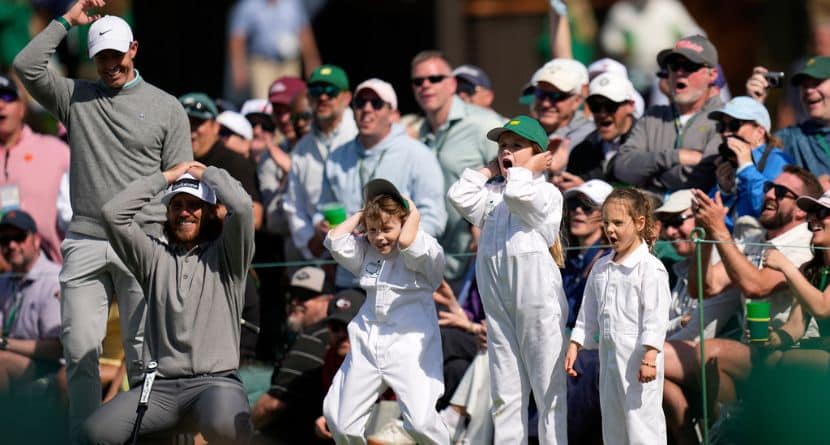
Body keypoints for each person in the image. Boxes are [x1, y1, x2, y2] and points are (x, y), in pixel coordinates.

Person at [13, 3, 193, 440]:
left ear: (133, 49)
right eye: (102, 57)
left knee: (141, 357)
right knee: (79, 352)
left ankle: (141, 436)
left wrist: (177, 251)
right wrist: (66, 22)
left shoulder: (167, 107)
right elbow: (25, 65)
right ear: (93, 59)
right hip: (87, 238)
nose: (111, 64)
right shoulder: (76, 97)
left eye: (117, 54)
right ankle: (87, 437)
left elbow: (183, 185)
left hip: (144, 240)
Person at [84, 161, 254, 444]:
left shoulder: (229, 255)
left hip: (215, 382)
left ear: (210, 212)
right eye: (177, 205)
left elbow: (243, 207)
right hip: (160, 388)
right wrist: (166, 178)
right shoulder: (153, 258)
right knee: (94, 433)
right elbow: (112, 215)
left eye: (194, 205)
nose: (184, 212)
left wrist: (207, 174)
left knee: (226, 428)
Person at [448, 115, 568, 444]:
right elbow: (459, 197)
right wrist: (489, 168)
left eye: (516, 146)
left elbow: (519, 196)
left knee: (548, 391)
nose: (507, 152)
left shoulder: (546, 192)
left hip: (538, 303)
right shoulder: (494, 193)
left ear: (539, 154)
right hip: (499, 304)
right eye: (502, 146)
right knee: (505, 390)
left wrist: (526, 170)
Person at [323, 179, 449, 444]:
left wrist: (412, 212)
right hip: (367, 338)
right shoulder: (367, 250)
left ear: (405, 220)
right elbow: (335, 240)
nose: (379, 236)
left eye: (386, 228)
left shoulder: (426, 247)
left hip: (410, 343)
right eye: (372, 230)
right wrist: (363, 215)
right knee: (340, 420)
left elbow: (407, 242)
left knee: (421, 422)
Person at [316, 78, 447, 288]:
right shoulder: (336, 156)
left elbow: (434, 217)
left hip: (397, 278)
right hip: (348, 275)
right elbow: (322, 208)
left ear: (392, 112)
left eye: (376, 103)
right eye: (360, 103)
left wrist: (395, 240)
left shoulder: (418, 154)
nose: (367, 109)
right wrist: (323, 226)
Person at [566, 188, 671, 445]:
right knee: (613, 422)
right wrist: (576, 343)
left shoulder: (650, 269)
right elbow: (587, 312)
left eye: (618, 223)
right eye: (606, 223)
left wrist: (649, 355)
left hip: (638, 357)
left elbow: (655, 317)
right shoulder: (601, 267)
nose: (611, 230)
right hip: (609, 356)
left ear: (639, 223)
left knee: (642, 422)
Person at [410, 50, 503, 285]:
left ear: (451, 84)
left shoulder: (484, 124)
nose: (426, 86)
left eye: (434, 79)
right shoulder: (417, 132)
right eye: (418, 81)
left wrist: (485, 221)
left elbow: (517, 174)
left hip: (478, 261)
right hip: (431, 263)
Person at [613, 35, 724, 194]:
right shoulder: (652, 117)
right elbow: (623, 168)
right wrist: (676, 156)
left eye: (689, 66)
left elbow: (703, 177)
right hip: (651, 213)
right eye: (673, 65)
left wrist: (651, 178)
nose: (679, 72)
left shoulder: (723, 119)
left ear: (712, 75)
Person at [252, 266, 343, 445]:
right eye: (292, 295)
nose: (295, 302)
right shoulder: (323, 335)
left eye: (305, 296)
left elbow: (272, 406)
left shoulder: (314, 338)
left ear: (329, 301)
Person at [284, 64, 357, 260]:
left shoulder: (361, 135)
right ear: (309, 98)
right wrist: (310, 241)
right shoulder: (301, 149)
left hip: (364, 249)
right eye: (316, 91)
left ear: (347, 98)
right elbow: (293, 205)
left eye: (330, 91)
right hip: (319, 255)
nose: (323, 97)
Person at [0, 74, 69, 263]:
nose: (0, 105)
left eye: (7, 97)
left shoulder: (56, 150)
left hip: (55, 275)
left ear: (22, 108)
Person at [707, 96, 793, 230]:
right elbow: (709, 215)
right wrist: (724, 191)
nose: (725, 133)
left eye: (734, 125)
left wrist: (747, 168)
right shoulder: (728, 163)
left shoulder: (779, 161)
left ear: (760, 131)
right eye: (722, 126)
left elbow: (772, 209)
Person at [180, 92, 264, 230]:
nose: (190, 130)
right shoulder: (169, 160)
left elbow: (255, 216)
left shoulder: (234, 162)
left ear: (215, 127)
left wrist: (207, 212)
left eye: (197, 122)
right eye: (184, 122)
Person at [0, 210, 62, 394]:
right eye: (4, 240)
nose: (11, 245)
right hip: (14, 358)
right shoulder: (4, 281)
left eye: (18, 237)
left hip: (49, 366)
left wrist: (4, 343)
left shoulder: (54, 278)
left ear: (36, 240)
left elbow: (57, 348)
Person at [749, 56, 830, 186]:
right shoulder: (792, 138)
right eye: (804, 85)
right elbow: (754, 155)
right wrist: (755, 105)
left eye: (816, 83)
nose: (808, 90)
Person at [228, 0, 320, 99]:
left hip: (289, 63)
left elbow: (304, 33)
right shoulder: (249, 5)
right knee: (265, 101)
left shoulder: (292, 4)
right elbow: (238, 38)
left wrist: (311, 61)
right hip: (262, 64)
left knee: (291, 99)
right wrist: (239, 68)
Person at [564, 72, 637, 190]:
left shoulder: (648, 145)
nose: (602, 114)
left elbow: (650, 196)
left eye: (610, 106)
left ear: (630, 105)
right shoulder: (581, 151)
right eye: (595, 106)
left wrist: (588, 189)